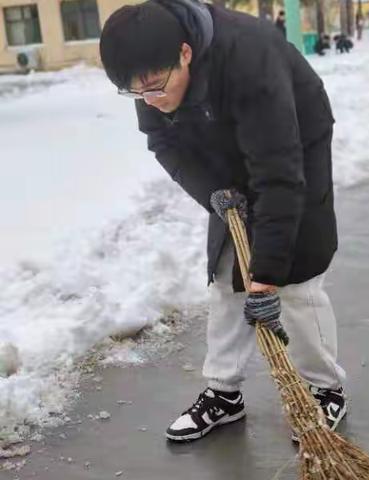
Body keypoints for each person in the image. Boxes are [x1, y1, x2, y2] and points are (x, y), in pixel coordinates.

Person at [100, 0, 346, 443]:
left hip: (292, 147)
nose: (149, 101)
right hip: (223, 147)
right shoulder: (147, 72)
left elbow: (278, 175)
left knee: (296, 283)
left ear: (185, 54)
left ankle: (325, 389)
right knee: (226, 275)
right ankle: (224, 392)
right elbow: (162, 142)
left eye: (155, 88)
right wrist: (212, 189)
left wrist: (267, 279)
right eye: (137, 94)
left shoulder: (250, 58)